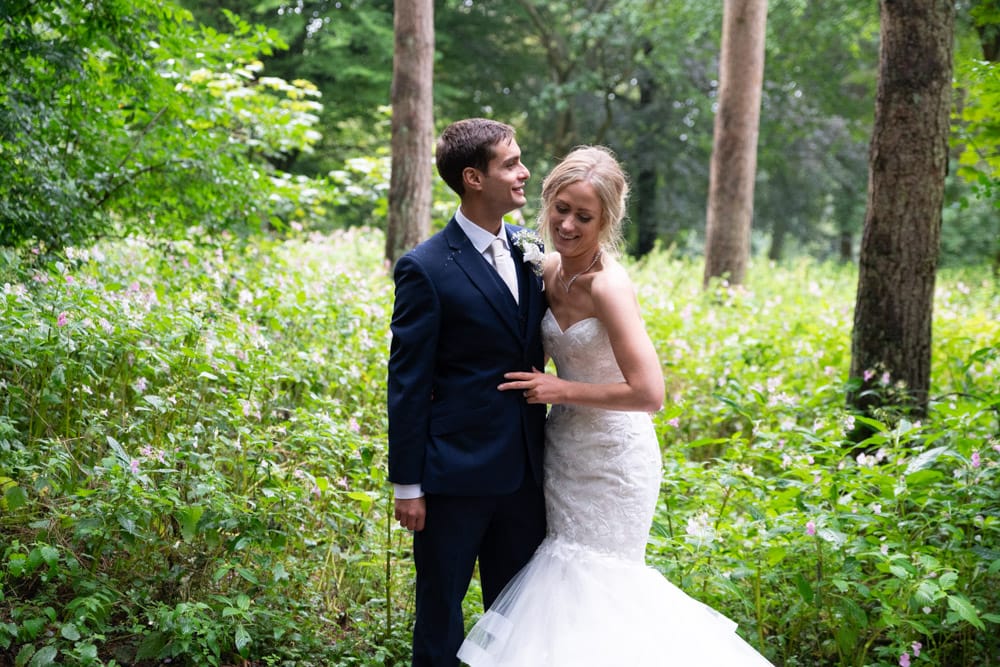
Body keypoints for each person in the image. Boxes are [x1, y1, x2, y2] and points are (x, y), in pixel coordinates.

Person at [457, 146, 774, 666]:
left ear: (606, 221)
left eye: (584, 216)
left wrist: (562, 389)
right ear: (547, 201)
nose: (567, 224)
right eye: (561, 208)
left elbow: (650, 394)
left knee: (597, 576)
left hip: (614, 458)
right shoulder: (544, 267)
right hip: (564, 450)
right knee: (559, 580)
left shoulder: (609, 287)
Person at [387, 118, 549, 667]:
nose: (525, 172)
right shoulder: (425, 268)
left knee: (518, 615)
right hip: (452, 476)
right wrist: (407, 484)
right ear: (474, 178)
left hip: (527, 474)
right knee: (441, 614)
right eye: (511, 164)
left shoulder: (532, 249)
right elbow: (408, 383)